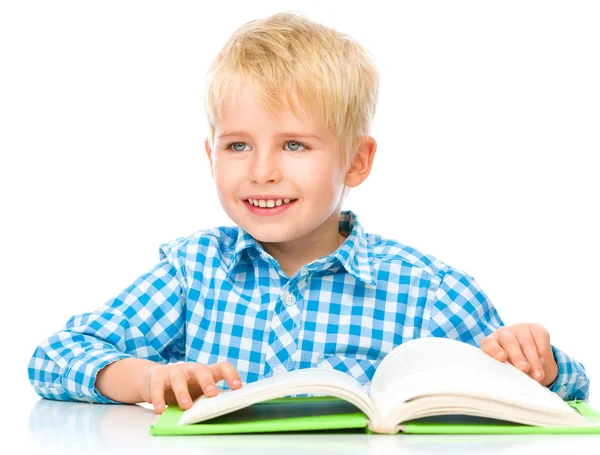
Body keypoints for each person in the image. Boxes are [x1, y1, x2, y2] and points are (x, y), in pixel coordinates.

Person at [28, 11, 589, 415]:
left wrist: (537, 362)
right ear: (210, 153)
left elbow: (563, 389)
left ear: (357, 161)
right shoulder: (192, 272)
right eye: (238, 145)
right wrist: (149, 377)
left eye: (295, 145)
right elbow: (55, 357)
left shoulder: (427, 291)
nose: (262, 171)